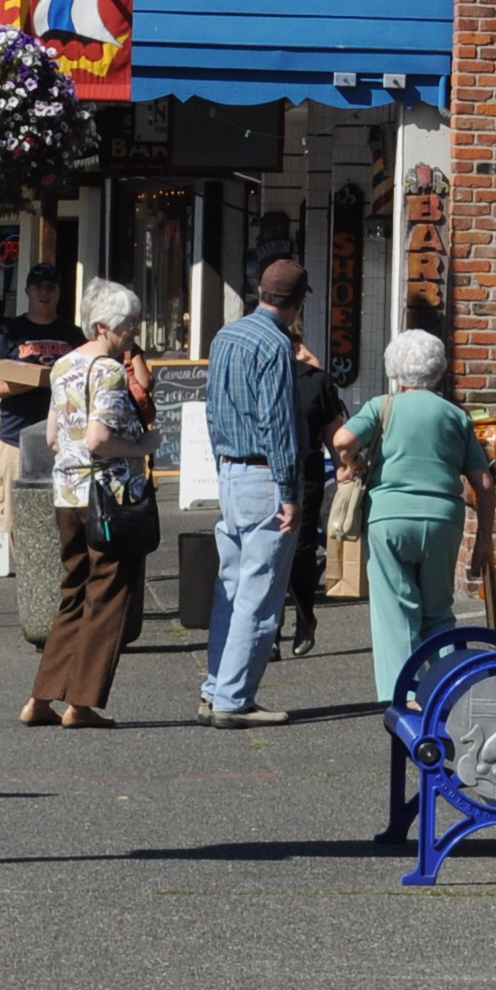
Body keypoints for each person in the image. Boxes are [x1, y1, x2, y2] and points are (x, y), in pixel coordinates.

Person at [22, 280, 153, 730]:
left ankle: (41, 698)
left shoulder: (63, 366)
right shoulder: (110, 371)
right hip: (109, 498)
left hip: (68, 495)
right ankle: (82, 703)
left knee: (74, 591)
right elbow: (100, 439)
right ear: (102, 327)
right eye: (127, 323)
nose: (133, 331)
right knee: (109, 596)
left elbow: (53, 436)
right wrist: (144, 446)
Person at [338, 327, 491, 701]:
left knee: (396, 611)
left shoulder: (382, 406)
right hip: (443, 520)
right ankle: (451, 691)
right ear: (438, 370)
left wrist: (352, 462)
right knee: (438, 611)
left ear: (394, 371)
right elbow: (484, 482)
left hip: (388, 518)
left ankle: (404, 697)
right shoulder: (456, 415)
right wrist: (484, 539)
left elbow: (343, 440)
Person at [195, 255, 307, 728]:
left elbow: (212, 409)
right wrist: (290, 491)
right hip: (264, 475)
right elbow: (278, 423)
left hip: (231, 471)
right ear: (297, 304)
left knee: (232, 587)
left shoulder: (226, 336)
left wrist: (222, 464)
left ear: (261, 292)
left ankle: (215, 689)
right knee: (259, 596)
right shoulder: (276, 345)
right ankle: (233, 699)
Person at [283, 322, 347, 658]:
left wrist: (342, 467)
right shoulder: (260, 376)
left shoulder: (317, 381)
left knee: (300, 549)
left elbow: (332, 431)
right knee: (268, 551)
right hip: (263, 474)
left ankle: (304, 618)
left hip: (305, 475)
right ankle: (269, 630)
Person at [0, 264, 82, 452]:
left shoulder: (75, 335)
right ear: (27, 291)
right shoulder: (7, 332)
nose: (45, 293)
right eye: (39, 287)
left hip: (63, 439)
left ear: (59, 292)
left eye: (51, 287)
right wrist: (15, 387)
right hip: (15, 438)